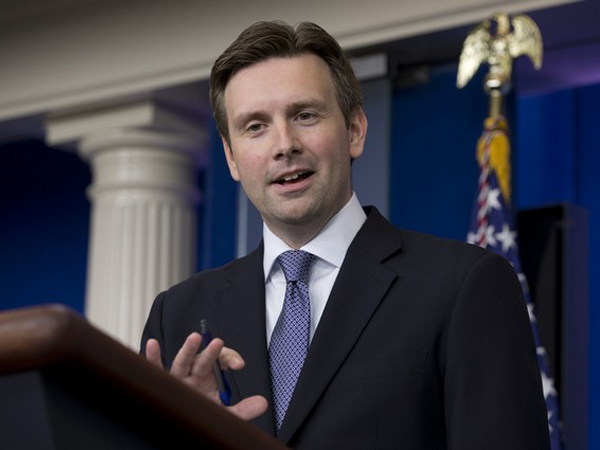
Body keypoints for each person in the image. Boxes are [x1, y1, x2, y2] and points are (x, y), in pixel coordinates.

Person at [141, 20, 550, 449]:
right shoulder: (178, 315)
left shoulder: (463, 285)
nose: (284, 144)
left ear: (354, 130)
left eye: (304, 115)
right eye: (255, 126)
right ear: (231, 157)